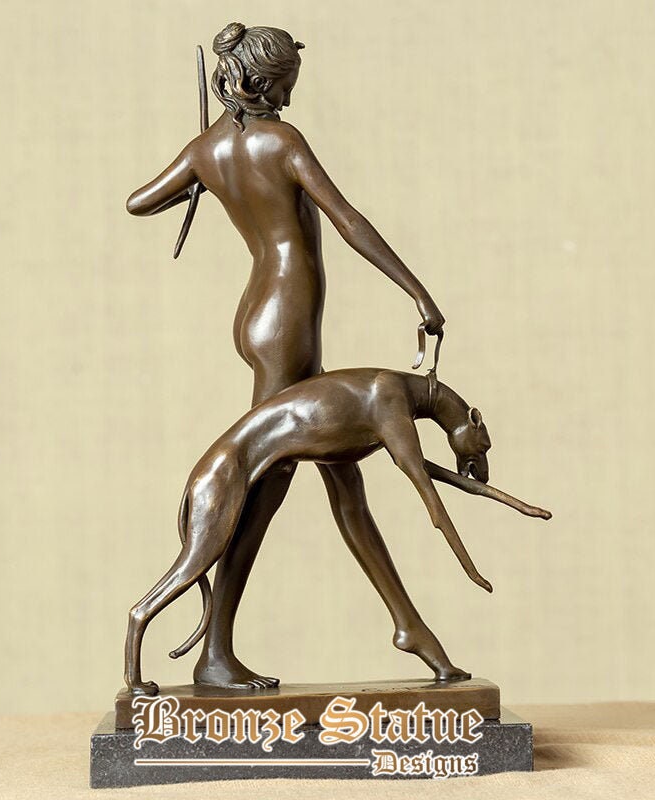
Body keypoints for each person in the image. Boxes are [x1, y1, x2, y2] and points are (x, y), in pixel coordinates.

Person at [127, 22, 461, 688]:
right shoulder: (282, 142)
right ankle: (215, 653)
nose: (289, 99)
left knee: (343, 471)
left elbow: (138, 203)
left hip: (257, 313)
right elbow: (347, 218)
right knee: (263, 476)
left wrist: (205, 175)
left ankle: (408, 625)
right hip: (289, 316)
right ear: (258, 82)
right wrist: (417, 291)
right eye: (283, 86)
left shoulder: (208, 148)